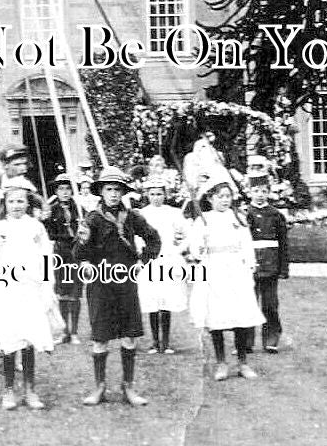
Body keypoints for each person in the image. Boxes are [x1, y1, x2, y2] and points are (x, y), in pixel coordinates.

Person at [73, 166, 160, 406]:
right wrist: (85, 263)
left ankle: (128, 387)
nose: (113, 194)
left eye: (117, 189)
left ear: (123, 192)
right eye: (109, 189)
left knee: (129, 336)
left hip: (126, 283)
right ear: (101, 191)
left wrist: (143, 261)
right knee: (100, 337)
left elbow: (154, 238)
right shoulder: (91, 218)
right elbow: (78, 252)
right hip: (100, 284)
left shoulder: (133, 217)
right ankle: (99, 387)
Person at [0, 178, 54, 410]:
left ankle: (30, 390)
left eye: (21, 201)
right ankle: (8, 390)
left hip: (30, 290)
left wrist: (48, 287)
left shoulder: (36, 227)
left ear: (28, 203)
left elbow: (46, 258)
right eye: (12, 201)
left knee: (28, 340)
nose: (16, 205)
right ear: (4, 203)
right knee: (8, 340)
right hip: (6, 289)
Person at [188, 169, 264, 381]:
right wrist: (198, 248)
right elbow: (195, 248)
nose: (224, 200)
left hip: (235, 270)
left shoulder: (238, 218)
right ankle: (221, 362)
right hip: (213, 270)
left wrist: (249, 266)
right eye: (220, 197)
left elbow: (246, 245)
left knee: (240, 315)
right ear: (210, 199)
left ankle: (242, 362)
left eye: (228, 196)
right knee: (216, 317)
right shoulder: (203, 220)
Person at [136, 176, 187, 354]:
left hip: (168, 260)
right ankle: (154, 341)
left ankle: (166, 342)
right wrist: (141, 255)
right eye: (152, 194)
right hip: (150, 260)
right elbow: (136, 237)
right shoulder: (141, 214)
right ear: (147, 195)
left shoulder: (174, 213)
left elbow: (184, 234)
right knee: (152, 300)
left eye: (159, 194)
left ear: (165, 194)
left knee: (166, 300)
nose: (156, 197)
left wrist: (177, 249)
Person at [243, 167, 290, 354]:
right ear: (249, 192)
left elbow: (284, 244)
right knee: (248, 303)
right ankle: (246, 341)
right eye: (256, 191)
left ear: (269, 192)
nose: (260, 195)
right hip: (250, 266)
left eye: (264, 191)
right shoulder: (244, 214)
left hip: (271, 266)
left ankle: (271, 338)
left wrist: (283, 268)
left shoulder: (276, 215)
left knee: (270, 305)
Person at [41, 173, 84, 344]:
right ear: (56, 191)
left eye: (68, 189)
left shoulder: (79, 208)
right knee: (62, 292)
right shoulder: (52, 210)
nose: (65, 192)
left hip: (76, 250)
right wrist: (45, 221)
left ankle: (74, 332)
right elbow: (48, 232)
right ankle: (64, 331)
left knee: (75, 292)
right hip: (60, 250)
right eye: (61, 189)